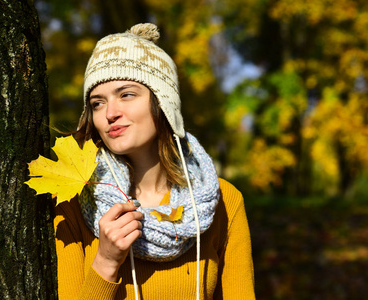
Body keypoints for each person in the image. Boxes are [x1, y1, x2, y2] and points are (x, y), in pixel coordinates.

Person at [53, 23, 255, 300]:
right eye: (97, 103)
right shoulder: (71, 204)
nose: (110, 113)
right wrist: (106, 263)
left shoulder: (224, 202)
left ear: (163, 102)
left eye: (126, 94)